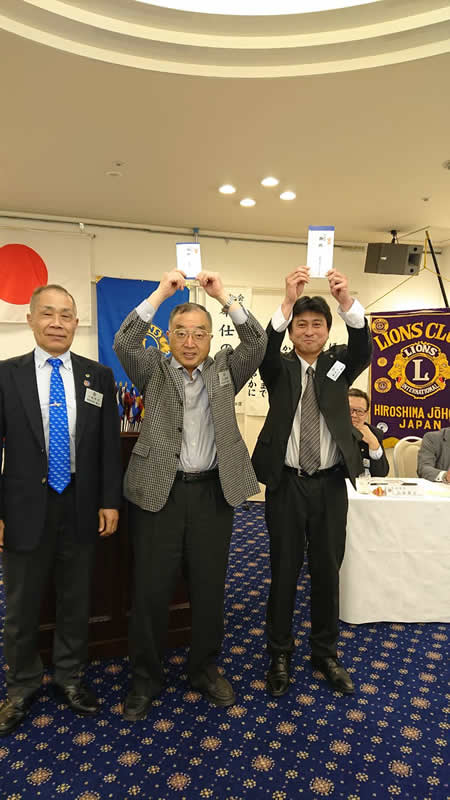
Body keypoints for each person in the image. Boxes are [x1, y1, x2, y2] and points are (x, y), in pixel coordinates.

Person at [113, 269, 267, 720]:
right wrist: (162, 292)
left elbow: (257, 342)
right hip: (158, 494)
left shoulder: (225, 370)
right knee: (151, 590)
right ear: (168, 336)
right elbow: (124, 341)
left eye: (199, 333)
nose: (189, 341)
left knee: (208, 587)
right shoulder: (153, 369)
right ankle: (146, 677)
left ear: (209, 338)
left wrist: (223, 297)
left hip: (212, 495)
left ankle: (203, 669)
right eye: (180, 332)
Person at [0, 285, 122, 737]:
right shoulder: (6, 375)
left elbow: (108, 444)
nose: (57, 322)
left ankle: (70, 676)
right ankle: (21, 685)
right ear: (30, 319)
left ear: (76, 322)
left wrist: (109, 500)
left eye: (66, 315)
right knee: (21, 604)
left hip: (81, 503)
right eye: (48, 314)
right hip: (23, 506)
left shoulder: (97, 377)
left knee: (75, 597)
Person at [252, 266, 372, 697]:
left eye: (316, 324)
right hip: (286, 484)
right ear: (292, 330)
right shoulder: (278, 368)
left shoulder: (340, 366)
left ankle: (325, 653)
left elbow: (364, 347)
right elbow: (264, 348)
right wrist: (287, 301)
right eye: (300, 324)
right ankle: (279, 653)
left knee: (326, 570)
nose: (308, 331)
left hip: (330, 484)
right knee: (284, 571)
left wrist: (345, 301)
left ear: (327, 329)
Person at [348, 387, 389, 477]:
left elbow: (381, 474)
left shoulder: (375, 433)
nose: (354, 415)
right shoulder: (330, 431)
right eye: (349, 410)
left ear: (366, 414)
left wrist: (373, 442)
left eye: (359, 411)